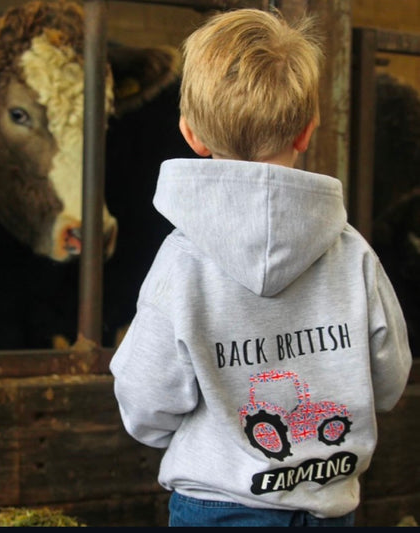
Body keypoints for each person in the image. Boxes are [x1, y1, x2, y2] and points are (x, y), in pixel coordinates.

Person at [109, 7, 412, 528]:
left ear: (190, 135)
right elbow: (390, 379)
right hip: (328, 508)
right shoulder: (354, 253)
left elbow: (143, 402)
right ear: (308, 131)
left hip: (217, 507)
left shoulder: (182, 264)